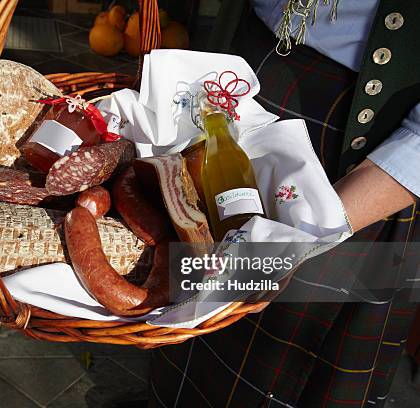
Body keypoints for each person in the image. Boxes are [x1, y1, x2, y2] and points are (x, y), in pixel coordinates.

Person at [149, 1, 419, 406]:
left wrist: (304, 234)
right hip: (245, 76)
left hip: (357, 157)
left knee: (272, 374)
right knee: (187, 302)